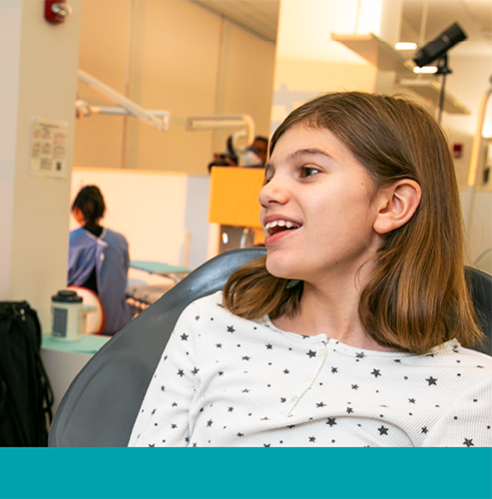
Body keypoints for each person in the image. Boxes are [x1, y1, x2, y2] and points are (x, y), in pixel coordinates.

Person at [129, 92, 492, 447]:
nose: (268, 192)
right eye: (269, 176)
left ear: (392, 204)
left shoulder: (469, 390)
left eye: (307, 171)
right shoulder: (211, 323)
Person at [68, 185, 134, 335]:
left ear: (77, 211)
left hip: (79, 322)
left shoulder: (70, 241)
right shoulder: (119, 241)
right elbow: (123, 277)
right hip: (115, 323)